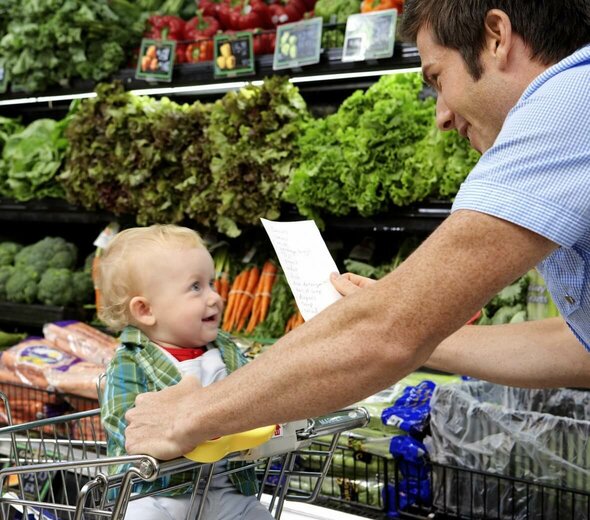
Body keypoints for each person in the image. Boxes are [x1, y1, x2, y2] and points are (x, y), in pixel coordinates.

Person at [124, 0, 590, 461]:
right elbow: (578, 346)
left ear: (496, 36)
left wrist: (192, 414)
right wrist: (424, 327)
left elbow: (384, 334)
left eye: (437, 79)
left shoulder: (568, 105)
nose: (441, 115)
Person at [98, 225, 273, 520]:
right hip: (157, 491)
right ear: (145, 310)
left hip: (226, 488)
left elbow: (256, 392)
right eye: (196, 287)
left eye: (212, 284)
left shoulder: (226, 351)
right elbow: (122, 422)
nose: (214, 297)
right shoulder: (129, 361)